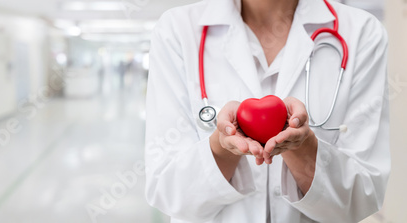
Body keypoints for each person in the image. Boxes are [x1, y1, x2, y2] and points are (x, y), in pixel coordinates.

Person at [144, 0, 390, 222]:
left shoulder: (362, 33)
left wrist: (302, 147)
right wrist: (222, 149)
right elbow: (167, 193)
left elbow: (362, 198)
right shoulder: (177, 30)